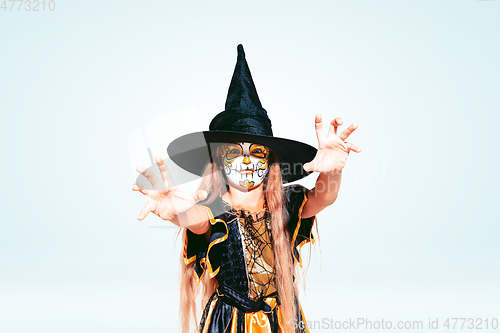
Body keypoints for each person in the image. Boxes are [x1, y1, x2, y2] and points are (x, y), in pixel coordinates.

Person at [132, 45, 361, 333]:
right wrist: (173, 212)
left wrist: (333, 170)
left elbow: (323, 196)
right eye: (234, 152)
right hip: (230, 324)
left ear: (270, 159)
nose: (247, 162)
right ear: (218, 159)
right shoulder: (213, 207)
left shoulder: (287, 203)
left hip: (283, 322)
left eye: (257, 152)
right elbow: (196, 221)